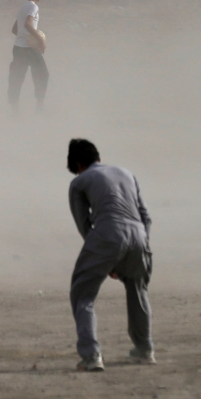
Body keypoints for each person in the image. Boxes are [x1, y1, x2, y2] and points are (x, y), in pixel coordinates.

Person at [67, 139, 154, 372]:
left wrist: (106, 257)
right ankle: (145, 350)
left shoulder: (79, 181)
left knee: (82, 294)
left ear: (78, 165)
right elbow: (146, 216)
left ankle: (91, 356)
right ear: (99, 158)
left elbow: (84, 225)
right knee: (137, 289)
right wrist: (142, 246)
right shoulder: (127, 173)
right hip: (139, 235)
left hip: (108, 234)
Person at [8, 0, 49, 112]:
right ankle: (39, 107)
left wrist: (24, 37)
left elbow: (15, 29)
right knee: (42, 74)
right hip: (29, 49)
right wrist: (39, 40)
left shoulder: (22, 7)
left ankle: (14, 109)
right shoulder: (33, 6)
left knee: (17, 77)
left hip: (18, 48)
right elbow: (27, 24)